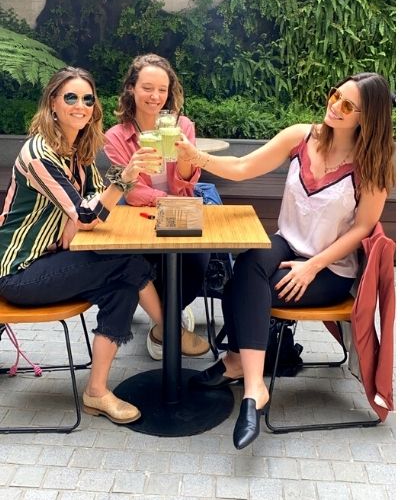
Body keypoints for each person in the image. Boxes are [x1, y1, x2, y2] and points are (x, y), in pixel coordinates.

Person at [175, 72, 394, 449]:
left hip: (329, 267)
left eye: (347, 105)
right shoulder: (301, 137)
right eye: (335, 95)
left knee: (246, 290)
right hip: (288, 242)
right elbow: (243, 168)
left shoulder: (371, 164)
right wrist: (196, 157)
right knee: (247, 267)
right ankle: (250, 380)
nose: (334, 107)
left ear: (367, 118)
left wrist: (313, 266)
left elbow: (362, 228)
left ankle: (242, 371)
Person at [0, 66, 170, 426]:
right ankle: (169, 333)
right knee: (127, 261)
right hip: (19, 273)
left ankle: (97, 391)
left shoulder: (78, 148)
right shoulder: (39, 154)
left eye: (88, 99)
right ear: (53, 103)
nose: (81, 105)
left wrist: (76, 216)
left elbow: (93, 195)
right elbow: (90, 213)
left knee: (122, 287)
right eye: (71, 97)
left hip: (55, 259)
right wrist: (122, 180)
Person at [104, 53, 210, 360]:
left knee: (197, 260)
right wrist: (167, 201)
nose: (155, 96)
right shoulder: (116, 137)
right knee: (142, 260)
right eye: (147, 88)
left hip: (180, 212)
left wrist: (187, 158)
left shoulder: (182, 126)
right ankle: (168, 323)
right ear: (132, 88)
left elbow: (186, 184)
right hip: (141, 216)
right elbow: (133, 192)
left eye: (162, 89)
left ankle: (167, 316)